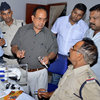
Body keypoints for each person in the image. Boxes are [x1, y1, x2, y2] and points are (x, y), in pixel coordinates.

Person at [11, 6, 58, 100]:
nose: (42, 22)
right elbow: (14, 45)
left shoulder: (49, 34)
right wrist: (17, 51)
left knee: (40, 97)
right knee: (20, 96)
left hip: (40, 73)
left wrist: (48, 57)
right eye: (39, 19)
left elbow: (54, 51)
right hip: (23, 71)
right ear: (33, 18)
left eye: (44, 20)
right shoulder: (22, 30)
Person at [50, 3, 89, 85]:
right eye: (75, 13)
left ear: (83, 16)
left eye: (79, 15)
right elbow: (52, 35)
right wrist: (53, 51)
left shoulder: (84, 27)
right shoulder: (60, 20)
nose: (76, 16)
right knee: (55, 80)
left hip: (72, 59)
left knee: (67, 82)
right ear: (72, 11)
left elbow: (84, 44)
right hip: (58, 56)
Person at [84, 4, 100, 81]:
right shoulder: (89, 31)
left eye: (94, 18)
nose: (91, 21)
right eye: (90, 18)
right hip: (84, 77)